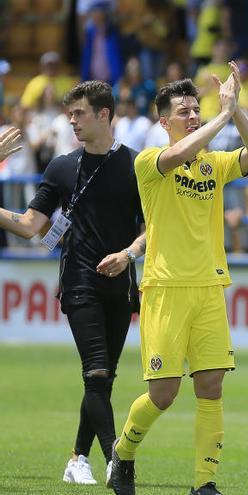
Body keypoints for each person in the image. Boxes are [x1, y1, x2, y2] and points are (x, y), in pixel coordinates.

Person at [109, 63, 248, 495]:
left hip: (210, 287)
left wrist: (236, 113)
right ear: (164, 121)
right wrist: (221, 116)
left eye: (197, 109)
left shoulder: (213, 164)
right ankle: (122, 453)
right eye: (184, 111)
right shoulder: (149, 162)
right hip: (165, 288)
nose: (193, 115)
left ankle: (204, 483)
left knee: (211, 387)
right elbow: (178, 154)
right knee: (163, 393)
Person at [0, 81, 145, 487]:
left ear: (104, 114)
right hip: (79, 281)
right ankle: (118, 460)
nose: (72, 121)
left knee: (103, 379)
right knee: (96, 374)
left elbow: (152, 229)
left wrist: (129, 254)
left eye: (80, 113)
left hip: (121, 283)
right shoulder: (62, 167)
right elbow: (30, 226)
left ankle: (77, 457)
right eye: (70, 114)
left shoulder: (137, 166)